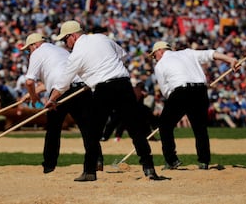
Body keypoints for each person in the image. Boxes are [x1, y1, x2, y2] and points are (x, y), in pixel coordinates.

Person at [46, 20, 162, 181]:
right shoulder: (102, 38)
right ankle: (149, 169)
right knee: (136, 130)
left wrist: (52, 99)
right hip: (123, 84)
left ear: (73, 36)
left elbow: (63, 83)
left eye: (65, 40)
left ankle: (89, 171)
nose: (66, 44)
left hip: (104, 89)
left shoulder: (76, 54)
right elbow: (122, 55)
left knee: (93, 133)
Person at [20, 33, 104, 174]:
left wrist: (34, 99)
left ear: (34, 45)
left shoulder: (37, 52)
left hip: (60, 90)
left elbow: (29, 82)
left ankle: (49, 165)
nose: (29, 53)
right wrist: (32, 94)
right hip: (81, 87)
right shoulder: (60, 50)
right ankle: (98, 160)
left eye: (28, 50)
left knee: (53, 128)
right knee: (87, 127)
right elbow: (54, 77)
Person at [151, 41, 240, 170]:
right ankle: (204, 161)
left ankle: (171, 160)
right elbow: (211, 54)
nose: (154, 59)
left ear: (160, 51)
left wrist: (178, 102)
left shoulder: (160, 65)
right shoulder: (187, 52)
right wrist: (230, 59)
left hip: (180, 91)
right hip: (200, 91)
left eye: (154, 55)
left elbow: (166, 92)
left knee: (164, 126)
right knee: (200, 128)